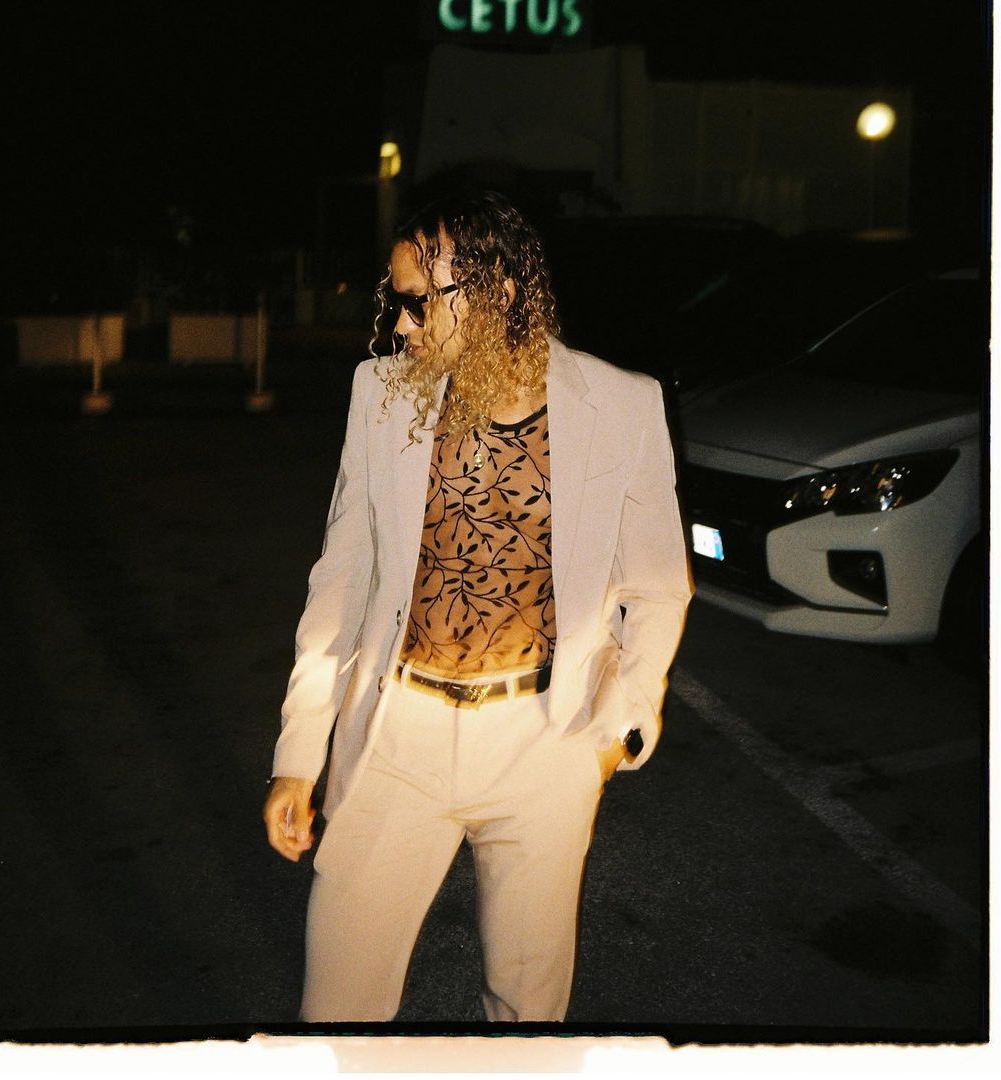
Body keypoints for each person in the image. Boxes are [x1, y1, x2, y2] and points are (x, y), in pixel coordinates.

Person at [263, 189, 692, 1023]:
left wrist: (615, 730)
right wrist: (299, 752)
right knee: (339, 1008)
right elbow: (342, 579)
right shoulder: (382, 394)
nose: (401, 327)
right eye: (396, 303)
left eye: (418, 302)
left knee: (527, 1011)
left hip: (543, 741)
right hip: (399, 736)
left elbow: (655, 586)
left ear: (495, 290)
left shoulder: (621, 406)